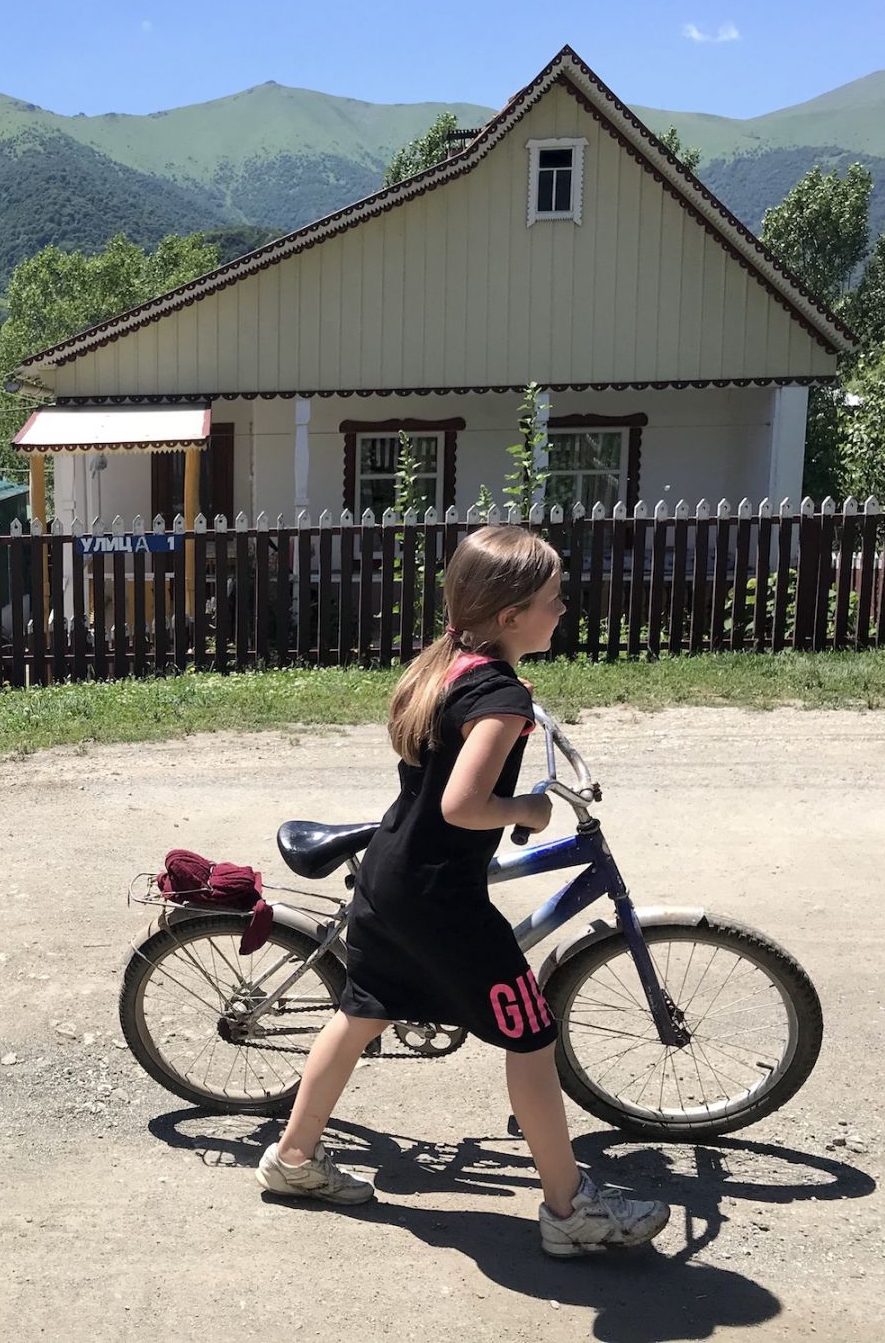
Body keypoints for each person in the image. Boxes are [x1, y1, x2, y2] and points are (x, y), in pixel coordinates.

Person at [254, 525, 671, 1259]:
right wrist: (528, 810)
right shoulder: (498, 692)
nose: (563, 610)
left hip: (393, 872)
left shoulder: (447, 663)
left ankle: (292, 1161)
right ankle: (571, 1211)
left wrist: (515, 714)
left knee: (361, 1012)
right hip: (439, 896)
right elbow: (463, 805)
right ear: (509, 616)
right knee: (532, 1035)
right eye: (553, 599)